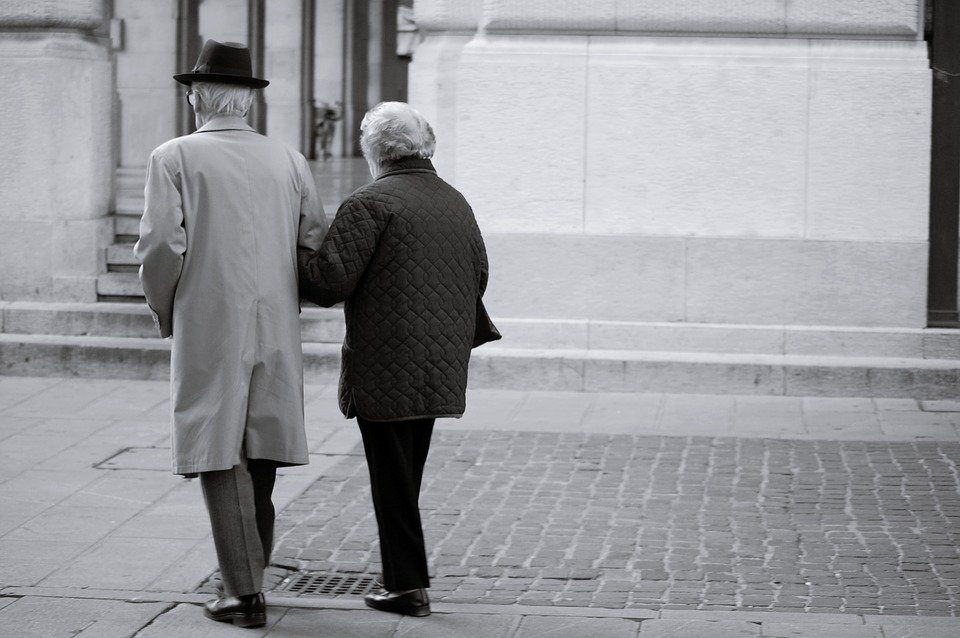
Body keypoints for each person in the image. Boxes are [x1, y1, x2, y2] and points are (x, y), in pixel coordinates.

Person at [134, 39, 328, 628]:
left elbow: (162, 246)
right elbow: (313, 238)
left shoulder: (173, 157)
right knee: (261, 444)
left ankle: (243, 594)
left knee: (218, 449)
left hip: (209, 316)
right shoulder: (289, 160)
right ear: (246, 100)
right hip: (274, 317)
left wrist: (166, 308)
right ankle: (249, 575)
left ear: (196, 96)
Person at [297, 101, 490, 617]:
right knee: (405, 472)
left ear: (373, 150)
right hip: (439, 359)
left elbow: (326, 283)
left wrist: (296, 248)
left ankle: (407, 586)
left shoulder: (370, 203)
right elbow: (480, 274)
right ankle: (403, 580)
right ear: (425, 147)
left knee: (393, 477)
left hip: (386, 360)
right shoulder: (455, 201)